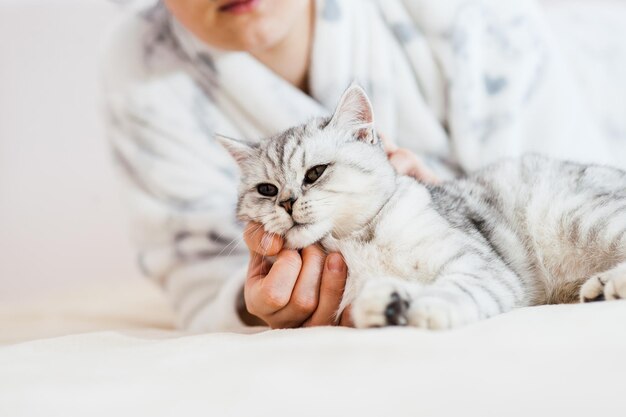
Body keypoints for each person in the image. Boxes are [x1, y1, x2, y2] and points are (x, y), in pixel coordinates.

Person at [102, 0, 626, 332]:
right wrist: (256, 303)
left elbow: (561, 177)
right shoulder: (142, 66)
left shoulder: (469, 14)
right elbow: (196, 280)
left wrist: (443, 211)